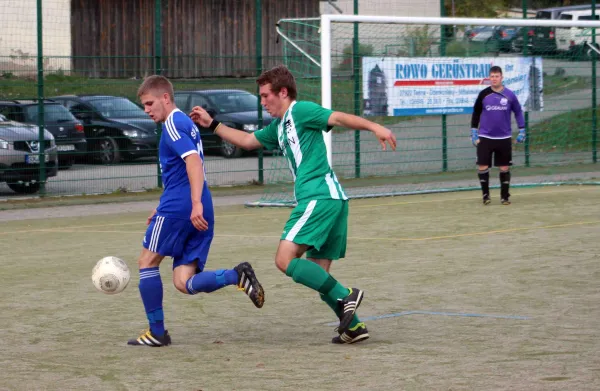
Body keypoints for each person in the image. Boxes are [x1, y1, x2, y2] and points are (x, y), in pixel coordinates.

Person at [190, 65, 396, 344]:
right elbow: (248, 140)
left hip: (318, 198)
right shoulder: (279, 126)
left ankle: (347, 295)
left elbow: (338, 117)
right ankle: (355, 328)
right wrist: (213, 124)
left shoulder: (300, 111)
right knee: (318, 276)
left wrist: (375, 126)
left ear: (283, 92)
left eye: (265, 96)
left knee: (284, 260)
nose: (263, 102)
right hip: (333, 201)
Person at [128, 75, 265, 347]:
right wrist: (174, 205)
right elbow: (181, 171)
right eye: (143, 105)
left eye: (149, 103)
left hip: (185, 207)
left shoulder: (173, 124)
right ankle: (235, 275)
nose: (146, 110)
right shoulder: (184, 123)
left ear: (165, 98)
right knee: (184, 281)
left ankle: (157, 333)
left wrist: (192, 204)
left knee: (146, 263)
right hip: (195, 205)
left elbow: (192, 162)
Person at [470, 65, 526, 206]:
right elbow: (476, 113)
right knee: (482, 166)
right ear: (489, 78)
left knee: (504, 167)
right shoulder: (483, 94)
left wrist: (522, 129)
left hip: (504, 137)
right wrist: (473, 131)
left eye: (497, 76)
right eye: (492, 76)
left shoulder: (510, 95)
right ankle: (486, 196)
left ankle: (504, 197)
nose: (494, 79)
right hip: (485, 137)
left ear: (501, 78)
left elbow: (518, 112)